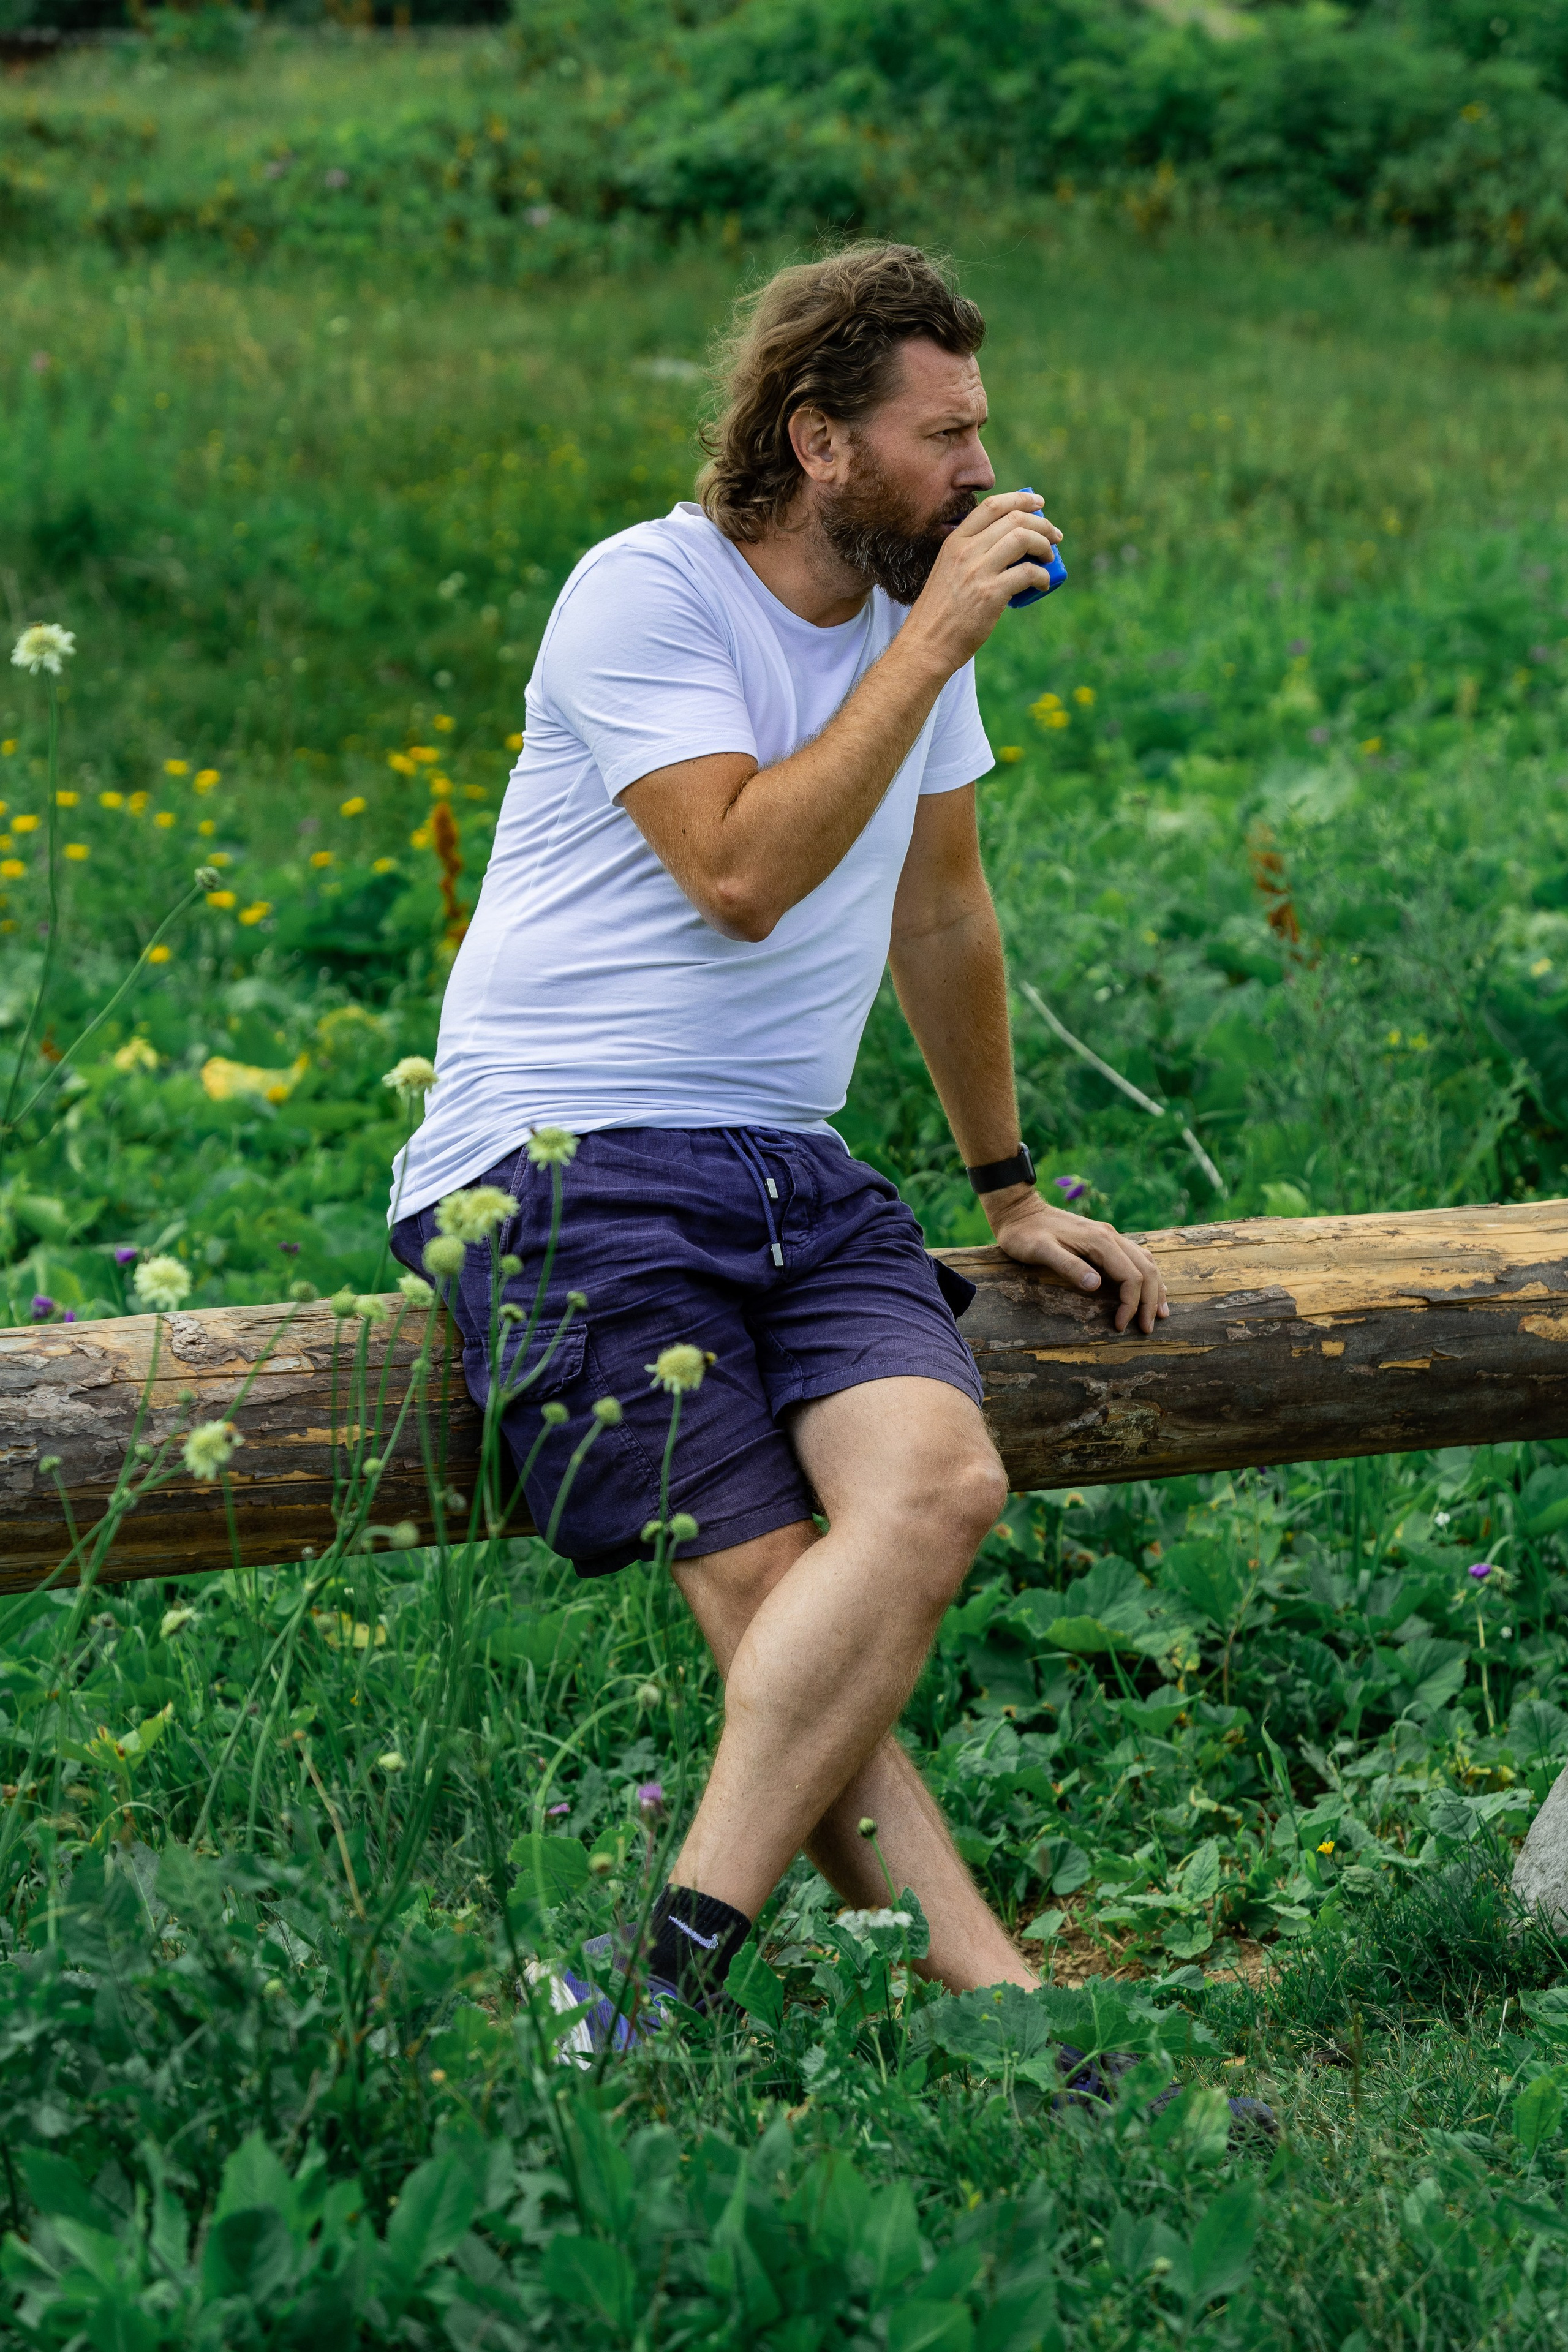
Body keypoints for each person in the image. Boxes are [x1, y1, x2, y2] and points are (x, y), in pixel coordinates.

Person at [390, 241, 1167, 2040]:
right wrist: (940, 639)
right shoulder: (642, 594)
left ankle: (653, 1991)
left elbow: (942, 912)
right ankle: (1006, 2026)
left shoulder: (915, 635)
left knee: (940, 1485)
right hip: (558, 1158)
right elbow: (740, 873)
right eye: (943, 434)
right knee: (767, 1595)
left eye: (984, 433)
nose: (983, 470)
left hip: (790, 1169)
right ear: (820, 440)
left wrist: (1010, 1189)